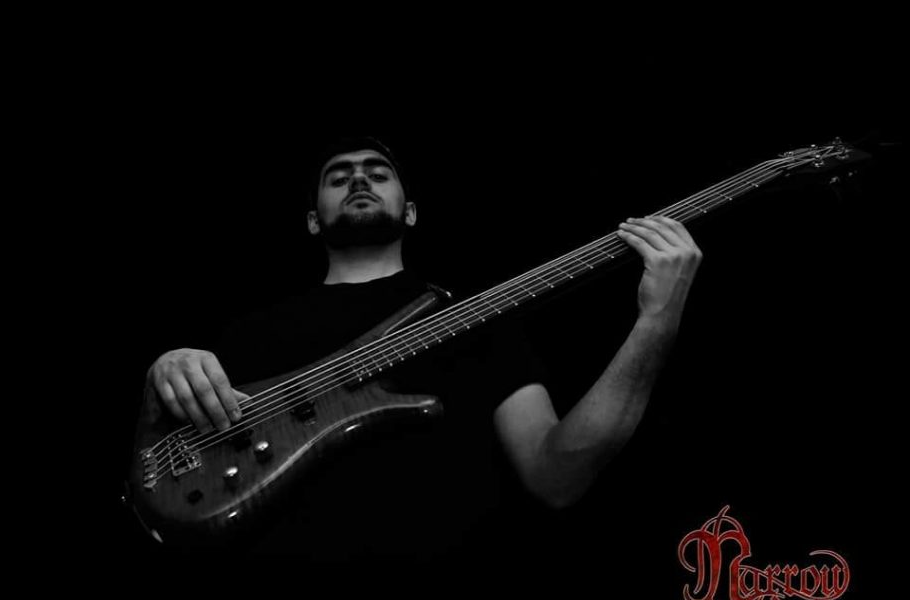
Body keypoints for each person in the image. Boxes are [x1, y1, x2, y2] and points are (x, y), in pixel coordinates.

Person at [141, 135, 703, 561]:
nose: (358, 180)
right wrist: (161, 378)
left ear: (410, 212)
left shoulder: (476, 321)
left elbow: (556, 475)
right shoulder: (251, 332)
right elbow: (168, 459)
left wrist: (656, 322)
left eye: (377, 173)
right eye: (339, 177)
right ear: (313, 221)